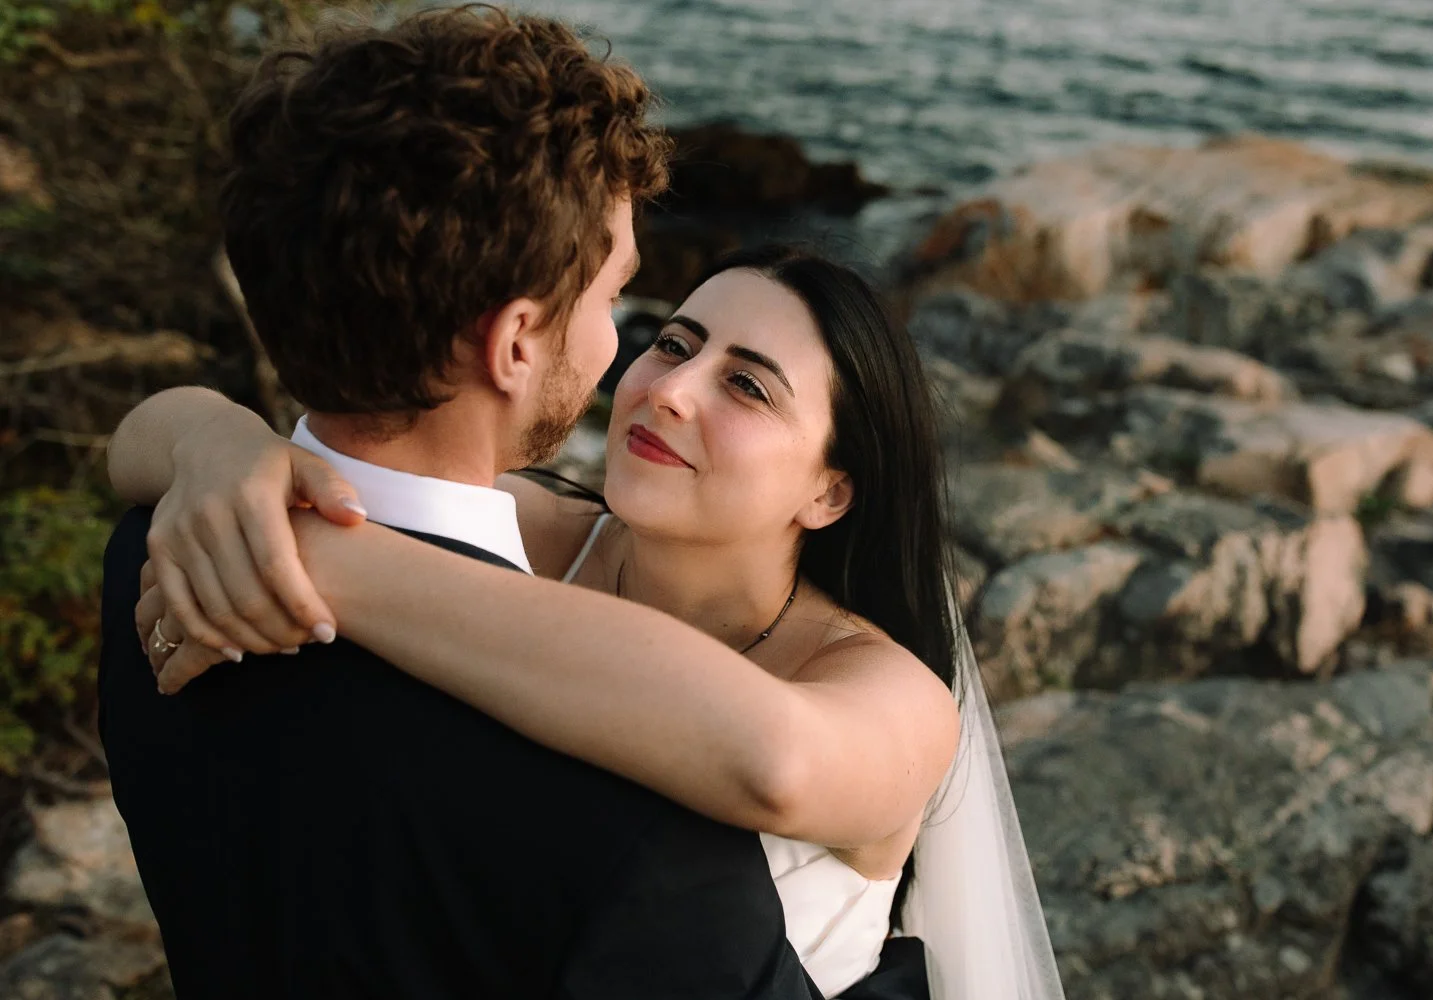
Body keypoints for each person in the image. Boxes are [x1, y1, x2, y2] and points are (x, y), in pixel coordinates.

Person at [112, 243, 1066, 998]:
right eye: (675, 341)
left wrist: (315, 557)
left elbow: (770, 761)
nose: (669, 390)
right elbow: (139, 441)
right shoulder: (538, 524)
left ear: (830, 489)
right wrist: (219, 446)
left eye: (747, 385)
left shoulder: (889, 691)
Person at [96, 8, 820, 999]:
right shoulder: (647, 826)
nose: (620, 349)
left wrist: (197, 430)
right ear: (516, 343)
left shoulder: (151, 558)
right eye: (614, 296)